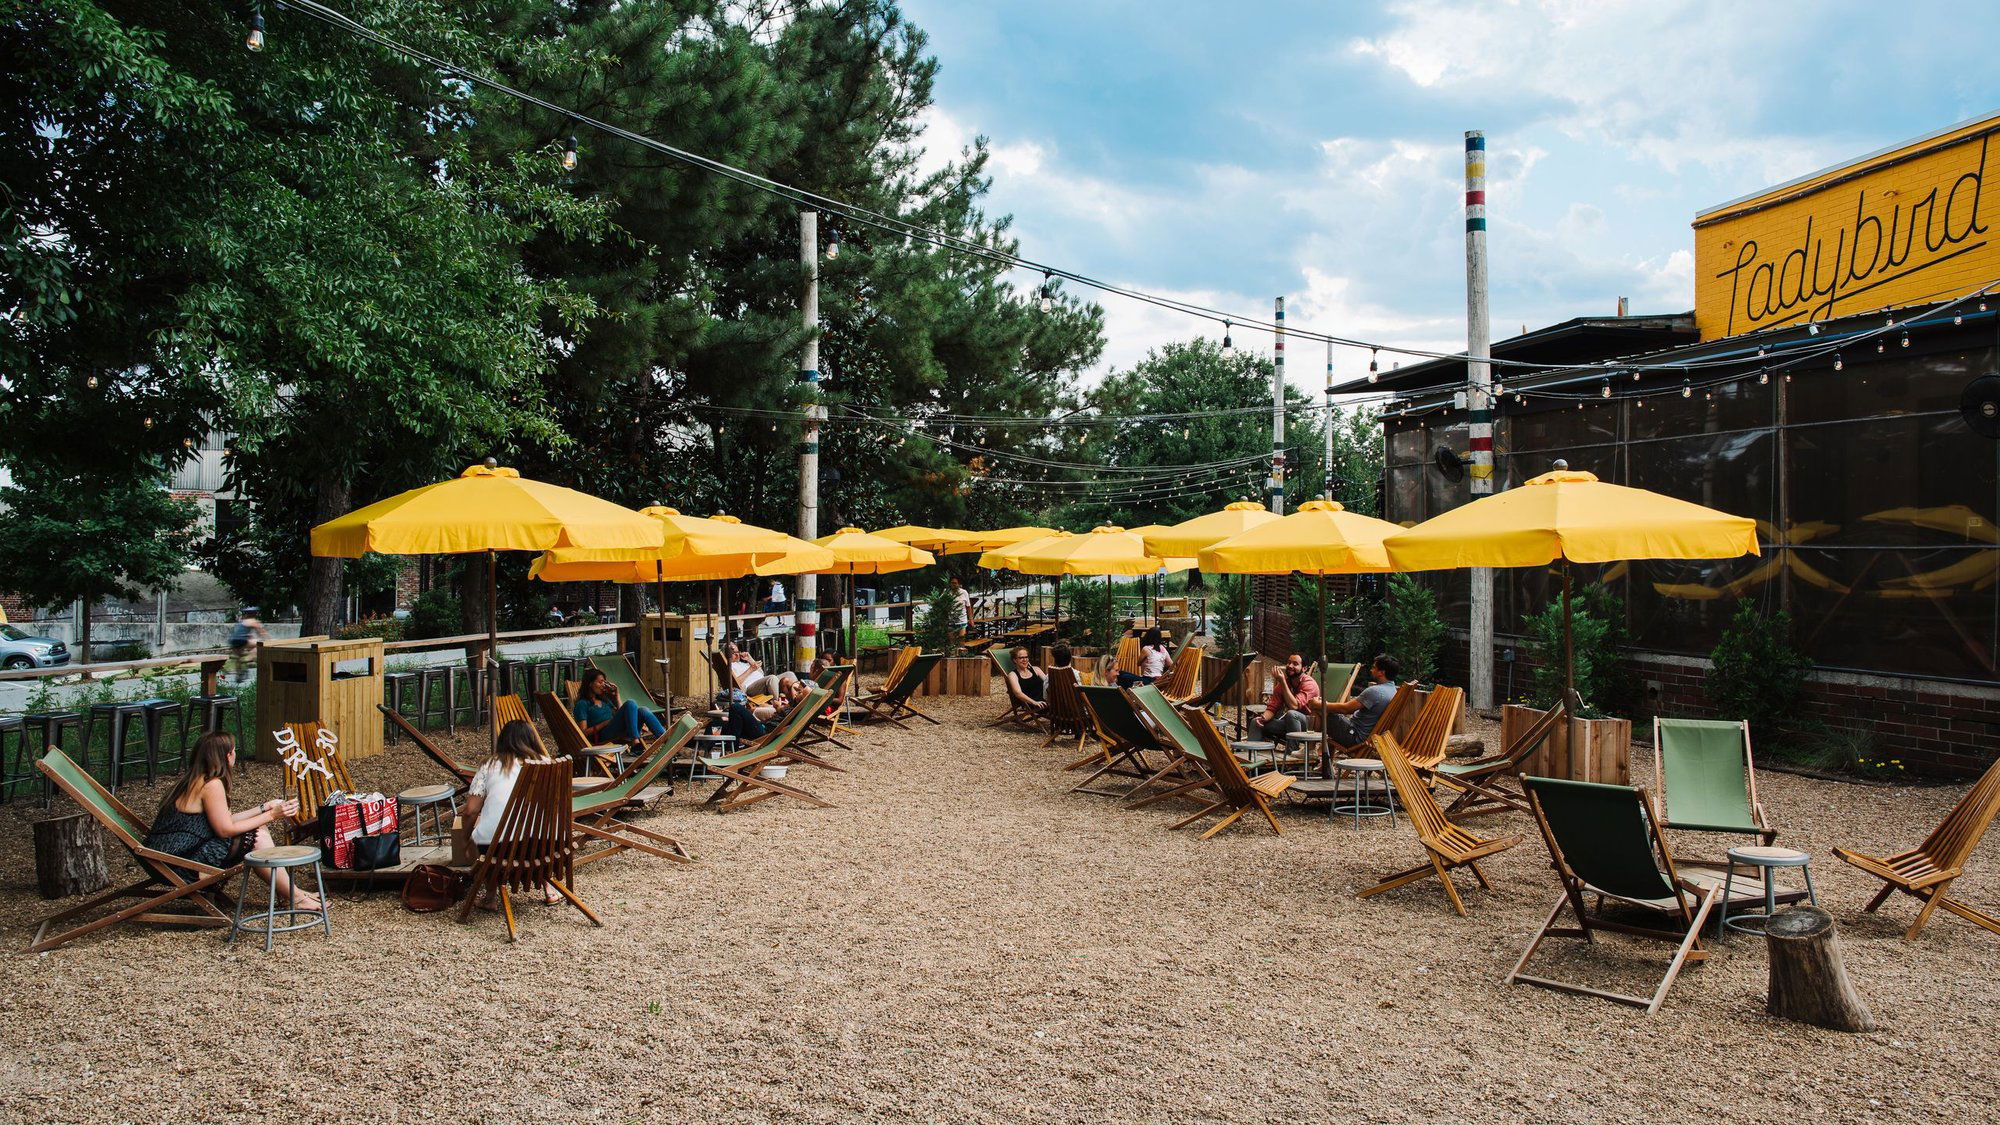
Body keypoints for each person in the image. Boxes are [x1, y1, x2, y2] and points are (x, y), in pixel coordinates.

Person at [142, 732, 318, 910]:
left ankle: (291, 893)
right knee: (257, 834)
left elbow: (224, 820)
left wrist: (265, 807)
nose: (235, 754)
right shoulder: (211, 784)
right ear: (228, 756)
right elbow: (225, 830)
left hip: (164, 859)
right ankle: (293, 896)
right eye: (234, 751)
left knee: (259, 829)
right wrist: (272, 815)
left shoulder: (194, 779)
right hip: (176, 864)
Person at [463, 720, 561, 907]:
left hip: (500, 849)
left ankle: (490, 896)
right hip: (544, 846)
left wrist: (464, 838)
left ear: (503, 741)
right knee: (541, 831)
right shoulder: (547, 763)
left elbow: (470, 810)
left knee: (483, 838)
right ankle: (549, 887)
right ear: (532, 739)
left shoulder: (489, 765)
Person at [571, 666, 667, 753]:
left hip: (621, 731)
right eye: (600, 682)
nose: (603, 685)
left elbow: (625, 713)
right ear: (590, 684)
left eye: (604, 682)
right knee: (630, 702)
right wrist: (605, 723)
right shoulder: (582, 704)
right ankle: (635, 742)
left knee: (643, 710)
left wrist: (617, 695)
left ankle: (667, 740)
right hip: (603, 736)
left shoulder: (604, 700)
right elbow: (583, 732)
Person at [1324, 654, 1402, 753]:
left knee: (1322, 712)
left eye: (1374, 668)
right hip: (1370, 740)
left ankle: (1310, 748)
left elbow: (1346, 709)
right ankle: (1323, 757)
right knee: (1330, 714)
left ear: (1381, 672)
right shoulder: (1393, 691)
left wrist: (1320, 704)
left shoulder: (1375, 691)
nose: (1371, 670)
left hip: (1355, 737)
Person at [1257, 652, 1321, 742]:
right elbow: (1272, 707)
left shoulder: (1309, 684)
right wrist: (1263, 718)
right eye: (1289, 662)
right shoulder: (1286, 683)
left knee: (1292, 714)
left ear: (1304, 668)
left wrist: (1282, 681)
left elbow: (1294, 706)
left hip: (1310, 727)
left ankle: (1292, 750)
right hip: (1290, 724)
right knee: (1256, 722)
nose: (1290, 666)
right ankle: (1251, 749)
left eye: (1295, 664)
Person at [723, 641, 798, 713]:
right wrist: (750, 669)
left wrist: (749, 659)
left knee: (789, 674)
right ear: (727, 655)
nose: (737, 655)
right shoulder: (730, 666)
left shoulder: (743, 663)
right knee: (772, 678)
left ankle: (797, 698)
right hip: (750, 688)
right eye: (733, 653)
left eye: (738, 652)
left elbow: (761, 673)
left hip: (763, 681)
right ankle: (778, 706)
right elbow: (735, 682)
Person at [228, 607, 269, 683]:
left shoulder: (242, 622)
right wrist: (269, 640)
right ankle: (246, 660)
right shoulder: (253, 621)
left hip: (233, 640)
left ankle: (238, 676)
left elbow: (241, 633)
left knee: (238, 658)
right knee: (259, 645)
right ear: (254, 614)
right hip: (241, 639)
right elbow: (262, 633)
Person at [1005, 647, 1049, 715]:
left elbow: (1048, 683)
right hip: (1035, 704)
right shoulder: (1013, 675)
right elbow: (1018, 693)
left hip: (1047, 700)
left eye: (1026, 657)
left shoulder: (1036, 669)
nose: (1025, 660)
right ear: (1015, 660)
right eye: (1021, 658)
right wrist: (1034, 702)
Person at [949, 577, 972, 645]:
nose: (953, 585)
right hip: (951, 621)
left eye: (955, 583)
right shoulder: (947, 593)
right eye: (952, 583)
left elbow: (968, 606)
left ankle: (961, 650)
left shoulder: (964, 592)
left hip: (962, 620)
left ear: (959, 584)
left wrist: (971, 619)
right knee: (952, 642)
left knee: (961, 640)